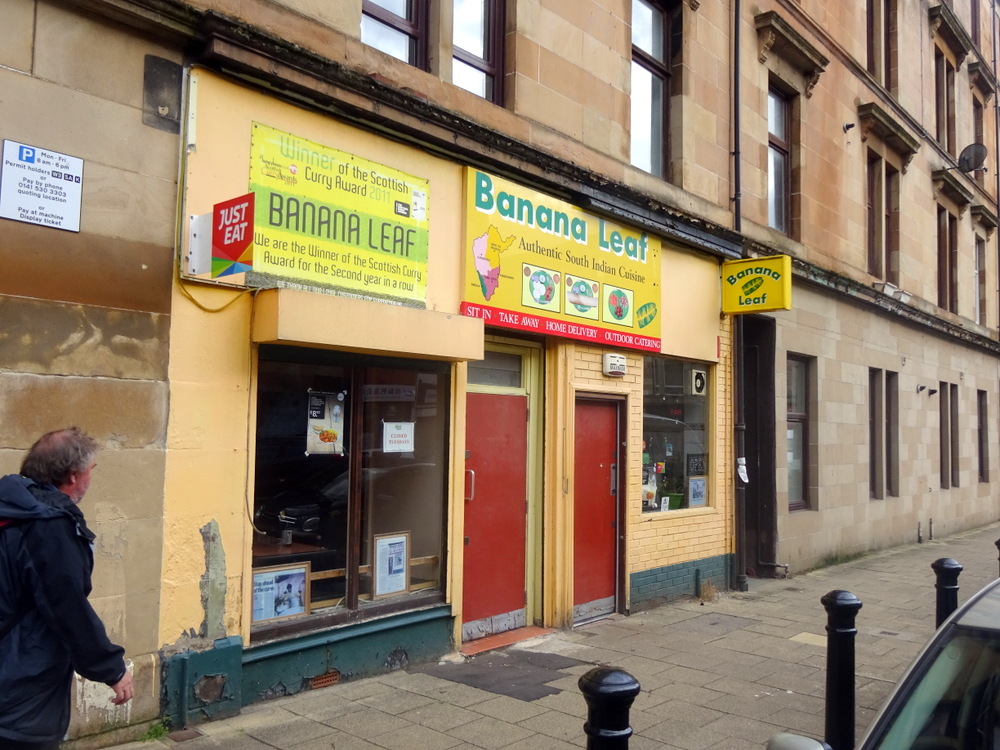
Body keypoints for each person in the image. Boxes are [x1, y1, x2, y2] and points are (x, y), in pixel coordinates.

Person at [0, 427, 133, 749]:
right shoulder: (49, 525)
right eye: (90, 470)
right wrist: (112, 669)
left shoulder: (11, 506)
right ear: (73, 476)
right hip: (20, 680)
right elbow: (67, 607)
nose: (90, 478)